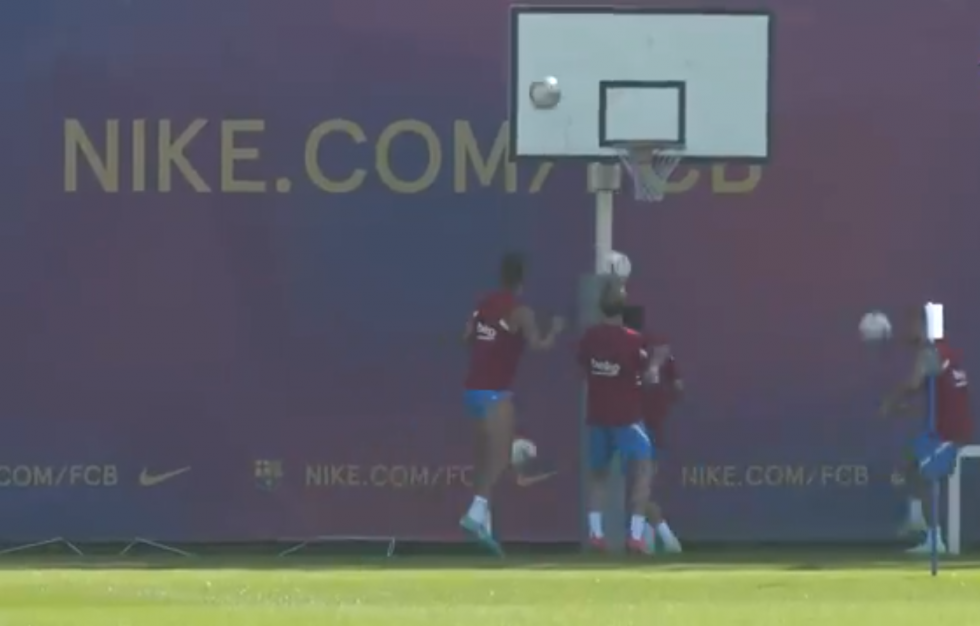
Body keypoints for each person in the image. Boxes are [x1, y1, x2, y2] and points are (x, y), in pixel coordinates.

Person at [459, 252, 564, 555]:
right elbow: (539, 345)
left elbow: (465, 337)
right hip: (496, 393)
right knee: (502, 458)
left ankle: (483, 524)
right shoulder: (521, 312)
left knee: (484, 460)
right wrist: (555, 329)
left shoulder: (483, 305)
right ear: (522, 280)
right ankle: (476, 512)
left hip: (472, 391)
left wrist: (489, 344)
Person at [880, 308, 973, 554]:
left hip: (950, 434)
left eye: (913, 325)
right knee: (906, 462)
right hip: (939, 430)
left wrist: (891, 401)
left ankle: (935, 539)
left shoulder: (932, 352)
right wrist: (903, 407)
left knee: (924, 476)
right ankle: (916, 517)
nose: (908, 329)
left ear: (925, 326)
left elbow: (913, 384)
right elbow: (937, 392)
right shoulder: (943, 352)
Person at [579, 277, 655, 554]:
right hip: (626, 418)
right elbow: (646, 376)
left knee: (597, 475)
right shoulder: (633, 341)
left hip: (598, 416)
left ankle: (596, 534)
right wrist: (654, 367)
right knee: (644, 468)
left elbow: (584, 368)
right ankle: (635, 535)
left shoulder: (589, 338)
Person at [638, 332, 685, 554]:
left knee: (642, 492)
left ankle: (666, 539)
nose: (665, 352)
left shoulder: (669, 367)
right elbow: (646, 382)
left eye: (667, 349)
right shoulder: (640, 362)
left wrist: (670, 378)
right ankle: (652, 541)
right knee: (640, 491)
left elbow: (678, 390)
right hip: (636, 429)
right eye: (660, 348)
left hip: (653, 433)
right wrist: (654, 366)